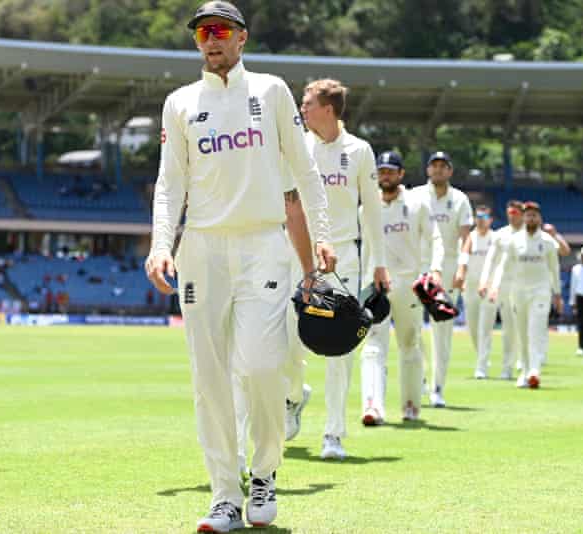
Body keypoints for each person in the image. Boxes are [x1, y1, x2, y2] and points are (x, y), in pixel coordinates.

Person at [145, 2, 335, 531]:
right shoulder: (180, 102)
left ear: (241, 38)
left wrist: (322, 237)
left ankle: (265, 473)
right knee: (209, 380)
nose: (211, 40)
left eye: (220, 31)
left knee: (260, 367)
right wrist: (162, 244)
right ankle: (225, 494)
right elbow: (170, 183)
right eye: (203, 32)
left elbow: (304, 168)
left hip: (262, 245)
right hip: (202, 251)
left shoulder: (271, 92)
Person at [283, 78, 388, 460]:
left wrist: (379, 263)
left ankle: (334, 435)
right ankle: (293, 397)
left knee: (339, 349)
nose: (302, 109)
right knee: (287, 340)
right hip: (297, 254)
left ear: (328, 109)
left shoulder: (359, 151)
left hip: (344, 258)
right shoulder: (297, 146)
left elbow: (372, 211)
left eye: (307, 103)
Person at [359, 151, 437, 424]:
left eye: (391, 171)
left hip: (408, 284)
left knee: (409, 344)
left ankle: (411, 406)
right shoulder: (366, 207)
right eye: (381, 171)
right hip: (377, 285)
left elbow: (434, 238)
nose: (386, 175)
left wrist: (433, 271)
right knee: (372, 346)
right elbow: (365, 251)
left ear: (401, 174)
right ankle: (372, 406)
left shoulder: (418, 203)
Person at [416, 151, 472, 407]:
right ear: (428, 170)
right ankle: (419, 379)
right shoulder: (415, 196)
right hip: (418, 266)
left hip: (448, 269)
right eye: (434, 166)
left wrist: (462, 267)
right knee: (412, 328)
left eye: (443, 166)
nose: (438, 170)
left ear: (450, 171)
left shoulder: (459, 199)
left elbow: (466, 237)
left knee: (443, 332)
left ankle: (437, 387)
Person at [488, 201, 563, 389]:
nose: (531, 218)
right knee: (522, 333)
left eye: (534, 215)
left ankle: (534, 371)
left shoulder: (547, 242)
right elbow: (504, 266)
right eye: (527, 215)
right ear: (523, 218)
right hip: (518, 291)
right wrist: (495, 287)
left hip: (541, 291)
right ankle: (525, 370)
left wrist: (558, 294)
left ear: (540, 218)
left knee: (536, 330)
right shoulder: (514, 241)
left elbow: (554, 269)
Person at [477, 200, 524, 380]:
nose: (512, 216)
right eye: (510, 213)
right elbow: (490, 260)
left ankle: (507, 368)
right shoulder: (500, 234)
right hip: (494, 285)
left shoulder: (526, 236)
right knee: (485, 328)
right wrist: (483, 282)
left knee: (510, 330)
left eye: (516, 213)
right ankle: (481, 367)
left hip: (515, 286)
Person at [459, 205, 498, 379]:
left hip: (489, 287)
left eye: (484, 217)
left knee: (485, 327)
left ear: (491, 220)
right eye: (478, 217)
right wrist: (461, 278)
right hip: (471, 286)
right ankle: (481, 356)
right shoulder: (470, 238)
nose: (481, 220)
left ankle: (482, 365)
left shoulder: (496, 238)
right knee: (473, 327)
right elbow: (463, 258)